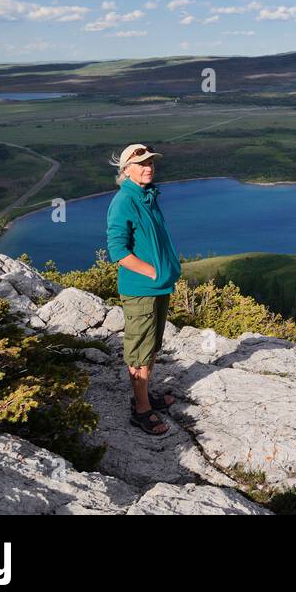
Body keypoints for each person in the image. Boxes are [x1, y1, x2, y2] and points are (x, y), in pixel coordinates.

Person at [106, 143, 182, 435]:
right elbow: (117, 250)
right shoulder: (124, 201)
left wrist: (162, 274)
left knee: (151, 345)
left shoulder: (148, 195)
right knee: (139, 350)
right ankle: (140, 411)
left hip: (158, 286)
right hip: (142, 288)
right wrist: (153, 272)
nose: (148, 167)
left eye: (151, 163)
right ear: (126, 170)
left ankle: (144, 396)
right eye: (141, 164)